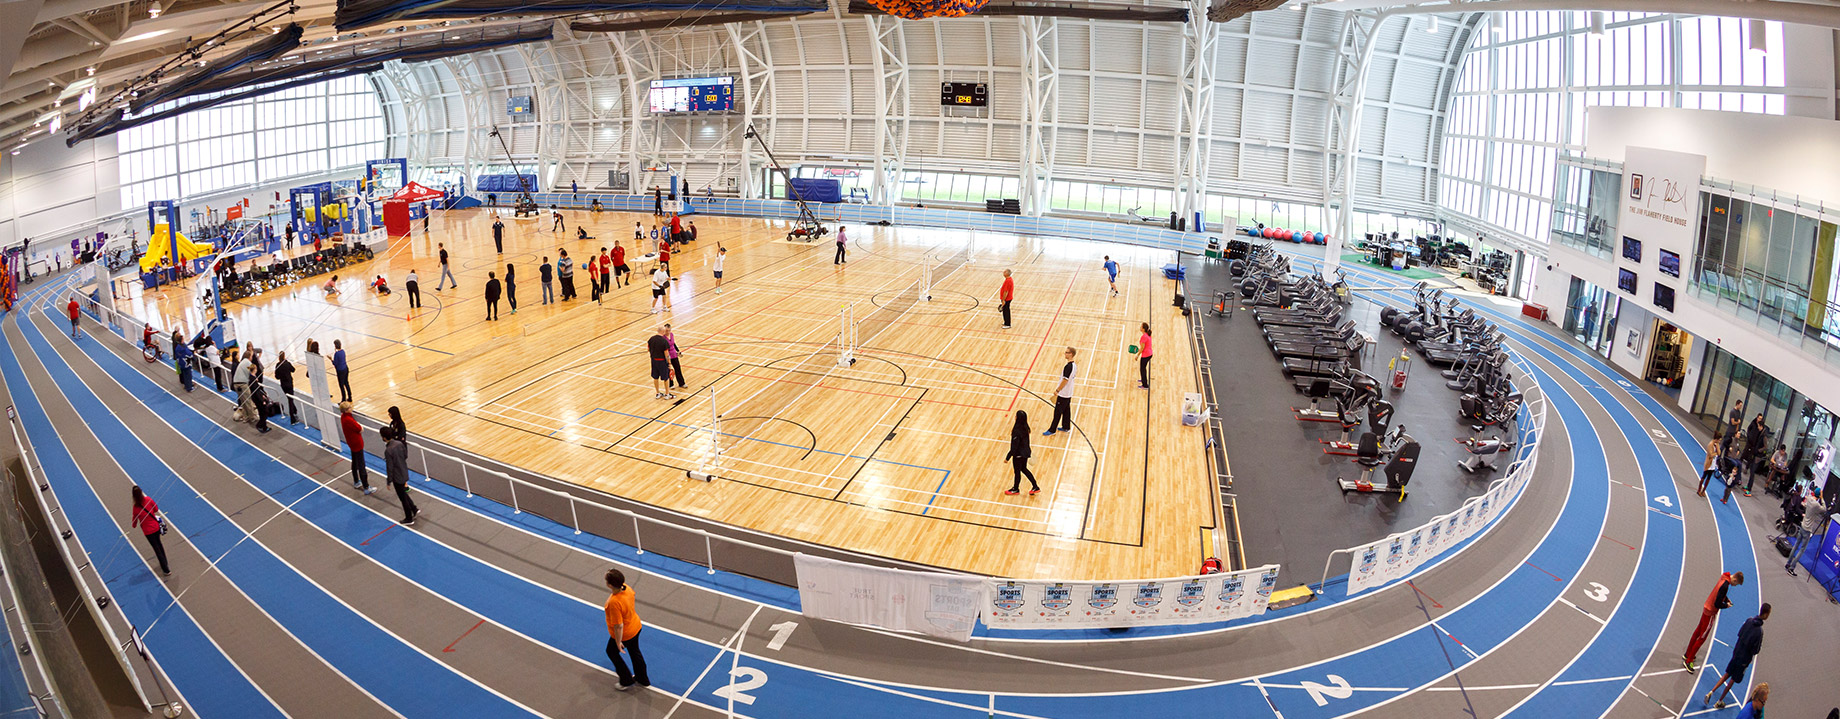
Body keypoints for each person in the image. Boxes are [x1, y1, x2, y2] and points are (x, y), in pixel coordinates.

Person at [1705, 604, 1769, 708]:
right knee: (1732, 680)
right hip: (1743, 660)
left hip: (1736, 653)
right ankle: (1719, 701)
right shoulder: (1759, 632)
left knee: (1726, 674)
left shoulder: (1749, 621)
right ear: (1766, 615)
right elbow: (1755, 650)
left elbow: (1739, 633)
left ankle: (1711, 692)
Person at [1683, 571, 1744, 671]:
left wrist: (1726, 599)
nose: (1734, 586)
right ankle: (1689, 661)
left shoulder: (1724, 577)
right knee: (1702, 637)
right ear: (1735, 580)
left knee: (1698, 631)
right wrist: (1726, 605)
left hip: (1706, 607)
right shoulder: (1725, 586)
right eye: (1736, 584)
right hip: (1710, 612)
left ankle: (1687, 654)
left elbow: (1719, 594)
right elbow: (1717, 604)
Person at [603, 568, 651, 691]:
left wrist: (618, 642)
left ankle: (626, 679)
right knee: (635, 652)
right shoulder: (626, 588)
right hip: (635, 625)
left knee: (611, 652)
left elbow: (618, 625)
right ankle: (642, 678)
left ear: (609, 585)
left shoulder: (614, 602)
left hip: (626, 634)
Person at [130, 486, 170, 577]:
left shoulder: (135, 508)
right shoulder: (148, 499)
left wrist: (138, 520)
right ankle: (165, 563)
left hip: (148, 531)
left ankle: (166, 569)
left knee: (156, 548)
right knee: (159, 544)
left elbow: (134, 523)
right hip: (155, 527)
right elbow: (156, 509)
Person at [1787, 488, 1827, 576]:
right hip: (1808, 530)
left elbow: (1807, 499)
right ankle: (1792, 568)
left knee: (1796, 545)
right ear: (1819, 495)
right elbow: (1824, 509)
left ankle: (1788, 563)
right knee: (1802, 549)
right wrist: (1822, 498)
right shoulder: (1816, 505)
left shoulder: (1809, 499)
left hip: (1802, 526)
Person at [383, 426, 417, 526]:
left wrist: (389, 481)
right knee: (403, 493)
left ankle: (409, 518)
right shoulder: (399, 444)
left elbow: (390, 467)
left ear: (384, 438)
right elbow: (405, 455)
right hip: (404, 471)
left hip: (397, 476)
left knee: (402, 498)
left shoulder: (388, 450)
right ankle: (414, 509)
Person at [340, 401, 374, 495]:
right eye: (350, 408)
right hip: (356, 443)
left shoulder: (343, 417)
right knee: (361, 465)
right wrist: (360, 426)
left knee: (355, 462)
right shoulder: (349, 420)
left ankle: (356, 481)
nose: (352, 409)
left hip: (351, 443)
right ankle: (366, 487)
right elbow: (360, 429)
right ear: (347, 410)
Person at [1003, 410, 1039, 496]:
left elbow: (1014, 446)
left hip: (1019, 454)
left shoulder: (1017, 431)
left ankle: (1015, 489)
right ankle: (1035, 486)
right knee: (1024, 469)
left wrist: (1007, 457)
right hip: (1025, 452)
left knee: (1017, 471)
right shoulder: (1026, 428)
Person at [1043, 347, 1077, 436]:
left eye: (1067, 352)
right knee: (1066, 410)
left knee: (1057, 412)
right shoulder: (1074, 365)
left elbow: (1065, 380)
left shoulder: (1068, 367)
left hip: (1063, 393)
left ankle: (1052, 430)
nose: (1065, 354)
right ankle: (1066, 427)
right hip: (1069, 392)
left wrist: (1057, 390)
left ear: (1071, 354)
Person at [648, 327, 674, 400]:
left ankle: (657, 393)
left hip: (654, 361)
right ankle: (667, 394)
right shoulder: (664, 341)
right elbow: (667, 354)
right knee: (666, 378)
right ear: (663, 332)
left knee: (655, 377)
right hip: (662, 361)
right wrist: (669, 363)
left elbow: (648, 349)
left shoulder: (651, 339)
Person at [275, 351, 300, 423]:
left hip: (283, 384)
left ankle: (295, 411)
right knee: (290, 400)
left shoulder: (278, 365)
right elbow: (293, 370)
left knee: (290, 398)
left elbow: (277, 376)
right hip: (289, 384)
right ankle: (292, 418)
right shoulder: (287, 363)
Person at [664, 324, 686, 389]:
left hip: (674, 354)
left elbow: (674, 344)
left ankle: (681, 383)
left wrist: (678, 351)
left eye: (669, 330)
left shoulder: (671, 334)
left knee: (678, 369)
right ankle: (671, 384)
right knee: (669, 370)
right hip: (667, 355)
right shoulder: (663, 337)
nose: (667, 332)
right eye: (666, 330)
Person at [1135, 322, 1153, 389]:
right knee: (1143, 368)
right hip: (1149, 353)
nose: (1140, 327)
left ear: (1143, 329)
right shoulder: (1147, 335)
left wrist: (1137, 355)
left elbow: (1142, 348)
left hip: (1146, 355)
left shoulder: (1144, 337)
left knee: (1142, 369)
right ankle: (1143, 380)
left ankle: (1145, 385)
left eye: (1141, 326)